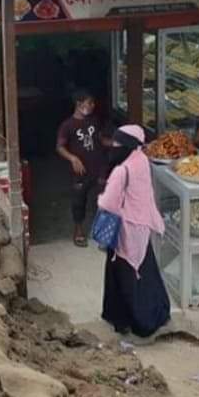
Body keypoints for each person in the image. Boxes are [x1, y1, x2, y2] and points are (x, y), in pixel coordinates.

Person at [98, 125, 171, 338]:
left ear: (128, 145)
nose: (114, 146)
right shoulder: (142, 161)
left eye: (118, 143)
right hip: (143, 226)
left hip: (124, 230)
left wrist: (100, 199)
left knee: (127, 274)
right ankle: (157, 312)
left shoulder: (122, 170)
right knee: (145, 268)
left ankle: (138, 321)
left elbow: (108, 204)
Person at [57, 91, 114, 247]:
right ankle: (78, 230)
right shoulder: (68, 125)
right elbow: (60, 147)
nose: (92, 106)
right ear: (79, 104)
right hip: (81, 170)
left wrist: (116, 143)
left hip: (99, 165)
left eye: (93, 103)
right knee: (79, 199)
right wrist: (73, 158)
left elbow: (100, 140)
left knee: (104, 198)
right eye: (90, 103)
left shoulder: (94, 121)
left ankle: (103, 234)